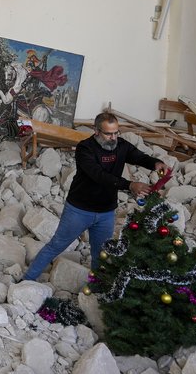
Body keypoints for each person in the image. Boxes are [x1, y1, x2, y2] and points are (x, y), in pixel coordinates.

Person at [22, 111, 167, 281]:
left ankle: (98, 285)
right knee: (56, 245)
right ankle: (27, 279)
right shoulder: (85, 148)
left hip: (106, 212)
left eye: (116, 133)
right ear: (96, 131)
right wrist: (129, 185)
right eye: (108, 134)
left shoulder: (121, 145)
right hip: (79, 210)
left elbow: (139, 157)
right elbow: (99, 175)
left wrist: (155, 163)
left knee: (102, 253)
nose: (113, 138)